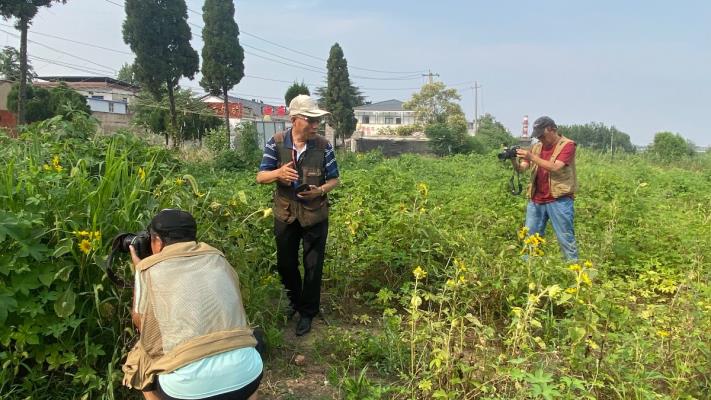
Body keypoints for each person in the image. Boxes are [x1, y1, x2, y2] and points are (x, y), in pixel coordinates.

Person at [123, 209, 263, 400]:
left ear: (157, 241)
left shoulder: (147, 269)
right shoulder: (218, 258)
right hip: (248, 377)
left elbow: (140, 323)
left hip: (186, 391)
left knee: (140, 357)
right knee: (245, 346)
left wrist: (140, 266)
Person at [256, 94, 340, 336]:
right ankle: (293, 303)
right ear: (294, 119)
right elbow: (261, 176)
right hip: (285, 213)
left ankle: (308, 312)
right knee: (286, 263)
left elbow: (334, 178)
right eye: (310, 120)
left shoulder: (324, 146)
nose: (316, 125)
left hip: (315, 214)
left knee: (313, 265)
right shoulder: (276, 142)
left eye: (317, 121)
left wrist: (320, 190)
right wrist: (278, 173)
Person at [513, 116, 579, 261]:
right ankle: (529, 271)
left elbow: (555, 167)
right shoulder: (536, 147)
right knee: (530, 240)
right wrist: (513, 159)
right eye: (537, 137)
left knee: (565, 238)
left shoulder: (567, 145)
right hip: (536, 199)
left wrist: (531, 156)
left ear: (552, 129)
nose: (540, 139)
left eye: (542, 135)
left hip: (559, 200)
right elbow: (522, 168)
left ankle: (575, 272)